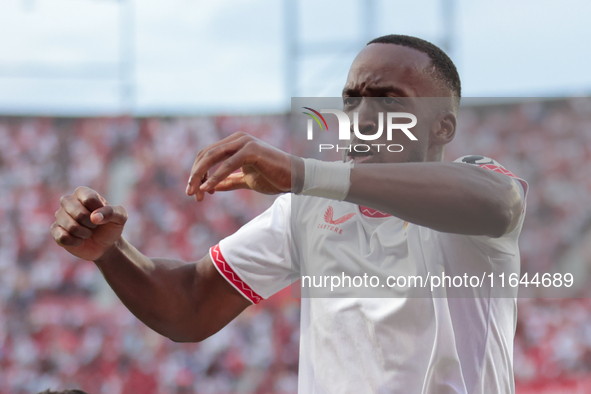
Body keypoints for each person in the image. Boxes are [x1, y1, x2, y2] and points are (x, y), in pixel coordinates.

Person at [51, 35, 528, 393]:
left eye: (389, 101)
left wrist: (303, 172)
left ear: (442, 126)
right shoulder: (308, 208)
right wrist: (111, 253)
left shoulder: (476, 185)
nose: (361, 116)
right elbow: (190, 307)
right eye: (351, 99)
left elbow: (496, 203)